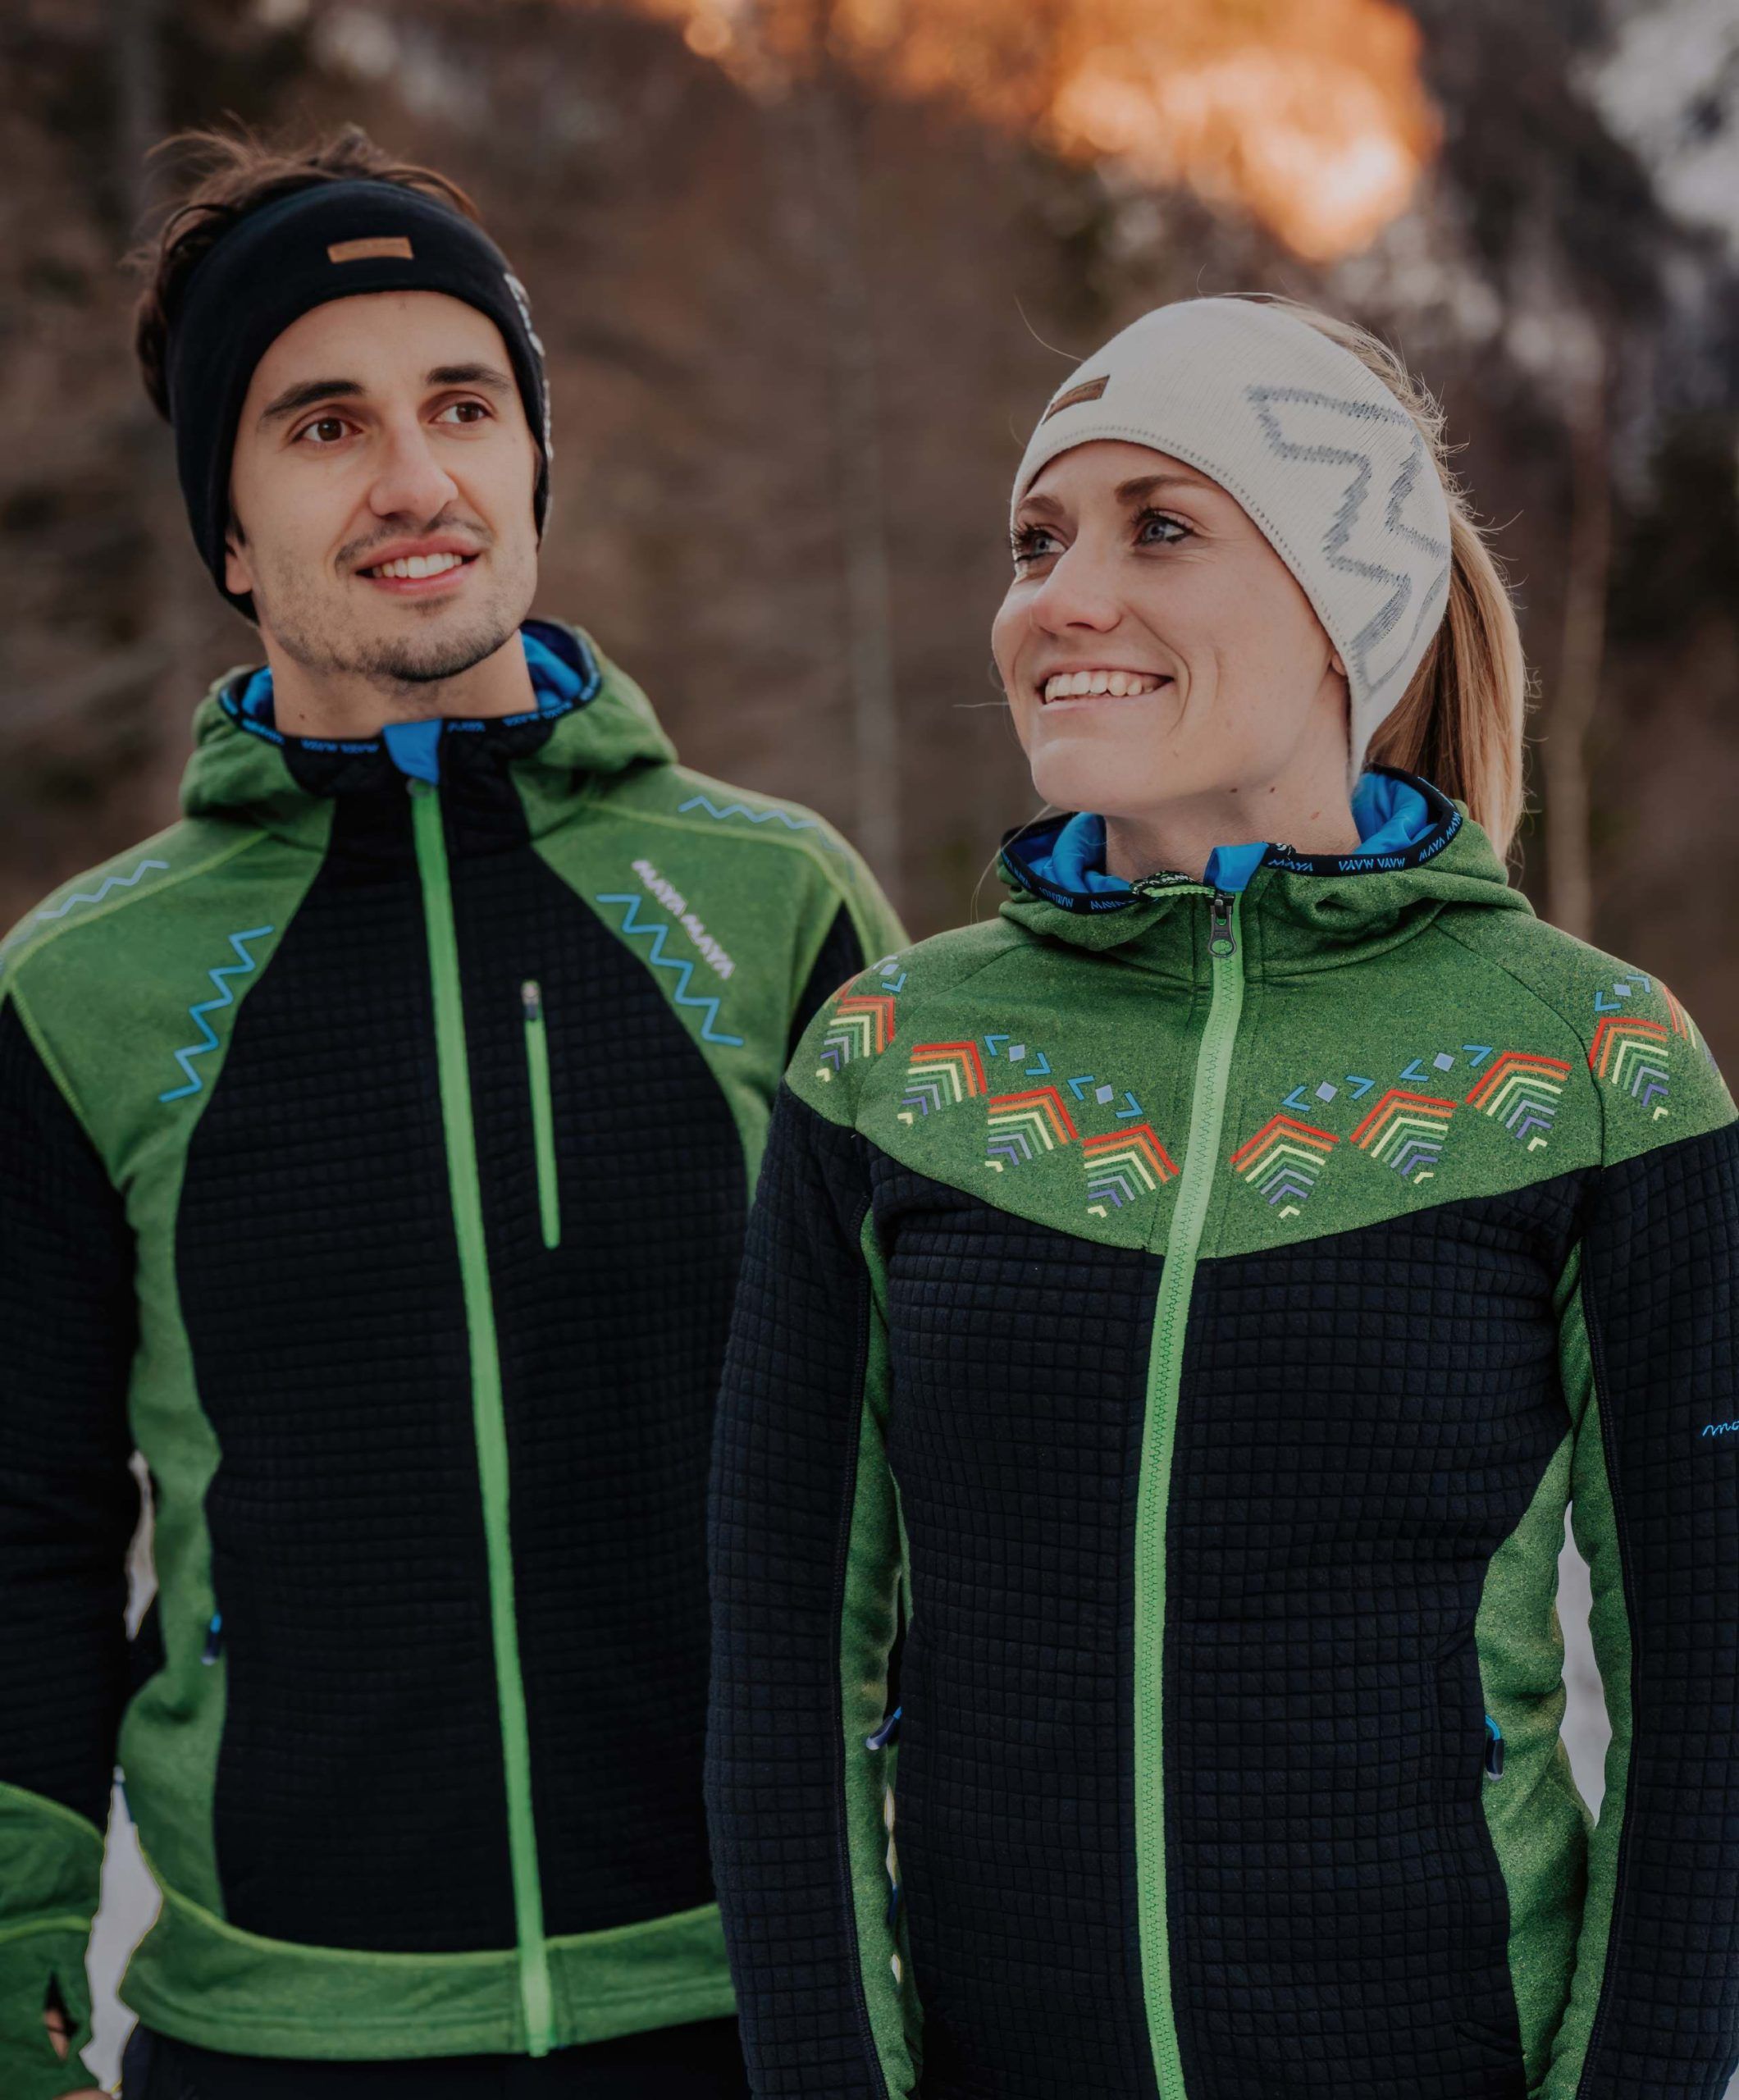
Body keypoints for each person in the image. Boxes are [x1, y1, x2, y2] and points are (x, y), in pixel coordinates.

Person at [705, 293, 1739, 2098]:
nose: (1057, 598)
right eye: (1038, 539)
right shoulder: (887, 1057)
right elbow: (784, 1635)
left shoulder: (1593, 1063)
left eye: (1157, 526)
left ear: (1355, 600)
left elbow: (1709, 1679)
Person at [0, 125, 903, 2100]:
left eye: (464, 405)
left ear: (531, 463)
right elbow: (27, 1519)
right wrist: (14, 1944)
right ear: (226, 527)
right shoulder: (83, 987)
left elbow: (950, 1466)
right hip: (279, 2032)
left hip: (761, 2008)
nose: (415, 479)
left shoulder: (778, 909)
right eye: (322, 424)